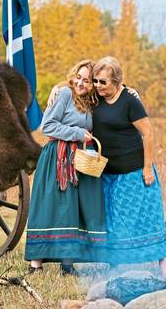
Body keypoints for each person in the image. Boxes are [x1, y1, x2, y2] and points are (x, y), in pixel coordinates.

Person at [24, 60, 107, 275]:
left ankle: (67, 263)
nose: (80, 83)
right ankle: (36, 264)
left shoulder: (90, 102)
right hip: (57, 158)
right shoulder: (64, 94)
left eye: (86, 80)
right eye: (78, 77)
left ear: (92, 84)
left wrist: (130, 91)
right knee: (50, 207)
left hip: (78, 160)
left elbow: (113, 86)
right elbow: (48, 125)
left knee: (71, 209)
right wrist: (78, 134)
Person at [91, 56, 166, 277]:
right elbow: (73, 84)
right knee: (114, 223)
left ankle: (164, 266)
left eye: (103, 82)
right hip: (108, 175)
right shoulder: (95, 98)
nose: (98, 86)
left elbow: (147, 133)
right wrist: (55, 91)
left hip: (135, 173)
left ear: (116, 81)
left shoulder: (129, 100)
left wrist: (147, 168)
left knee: (149, 219)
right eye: (96, 81)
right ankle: (115, 268)